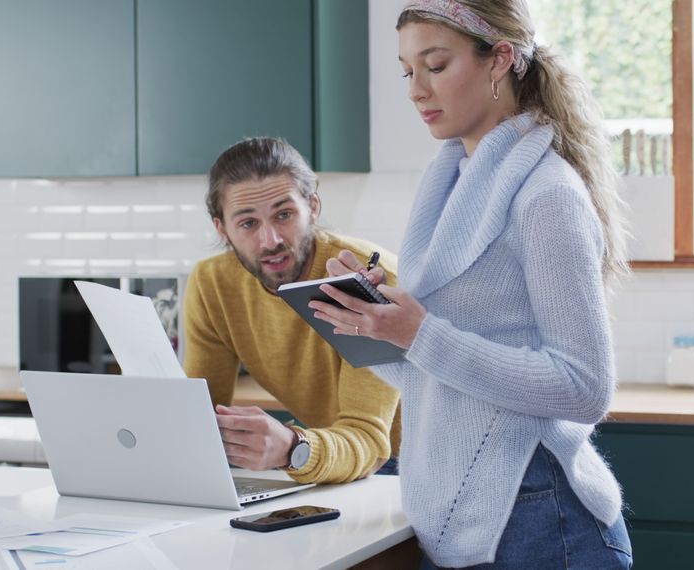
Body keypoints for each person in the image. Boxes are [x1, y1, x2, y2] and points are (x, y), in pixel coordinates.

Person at [311, 0, 633, 567]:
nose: (416, 90)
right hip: (463, 512)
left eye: (435, 65)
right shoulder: (451, 189)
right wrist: (370, 318)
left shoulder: (546, 195)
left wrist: (419, 332)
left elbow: (585, 389)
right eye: (408, 71)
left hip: (540, 515)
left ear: (498, 60)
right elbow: (431, 375)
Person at [183, 137, 400, 485]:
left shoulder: (367, 277)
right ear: (221, 228)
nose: (270, 240)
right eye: (248, 223)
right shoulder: (213, 285)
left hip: (412, 464)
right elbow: (199, 417)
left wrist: (292, 447)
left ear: (312, 207)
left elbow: (371, 442)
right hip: (334, 459)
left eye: (284, 215)